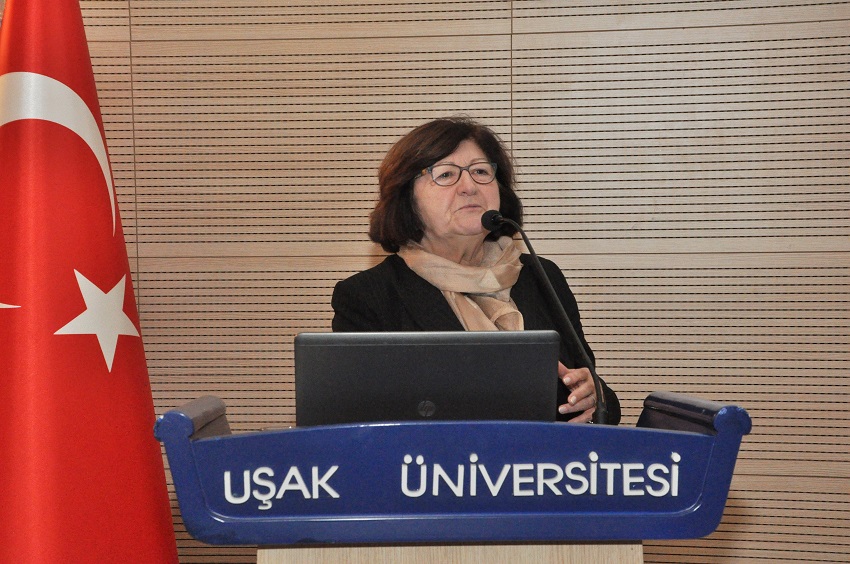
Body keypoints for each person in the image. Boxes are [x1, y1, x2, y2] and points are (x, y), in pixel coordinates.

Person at [331, 117, 621, 424]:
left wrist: (596, 399)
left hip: (548, 455)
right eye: (446, 174)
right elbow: (356, 422)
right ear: (407, 197)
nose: (469, 187)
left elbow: (594, 391)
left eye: (481, 171)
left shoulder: (541, 276)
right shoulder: (369, 297)